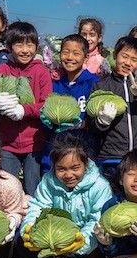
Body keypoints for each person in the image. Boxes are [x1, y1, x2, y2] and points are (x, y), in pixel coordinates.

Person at [21, 133, 113, 258]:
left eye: (75, 168)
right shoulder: (48, 182)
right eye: (61, 169)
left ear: (86, 164)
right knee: (21, 245)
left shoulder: (100, 186)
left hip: (89, 246)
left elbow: (97, 219)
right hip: (59, 245)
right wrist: (28, 228)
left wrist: (81, 241)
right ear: (54, 166)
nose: (68, 175)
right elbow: (38, 207)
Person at [0, 21, 52, 196]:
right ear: (9, 46)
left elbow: (46, 105)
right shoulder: (1, 71)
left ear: (36, 46)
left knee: (33, 187)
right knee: (7, 188)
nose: (25, 50)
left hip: (34, 143)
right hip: (7, 144)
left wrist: (24, 110)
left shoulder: (41, 72)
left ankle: (32, 221)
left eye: (30, 44)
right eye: (19, 44)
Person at [86, 36, 137, 192]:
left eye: (134, 59)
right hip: (111, 157)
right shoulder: (100, 86)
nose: (127, 62)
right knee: (111, 201)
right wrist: (102, 121)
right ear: (114, 55)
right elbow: (92, 126)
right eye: (124, 56)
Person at [40, 34, 99, 172]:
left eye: (76, 53)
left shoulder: (94, 84)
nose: (70, 58)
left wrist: (85, 124)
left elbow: (98, 122)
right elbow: (45, 124)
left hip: (84, 152)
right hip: (55, 153)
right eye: (65, 52)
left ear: (86, 57)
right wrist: (47, 122)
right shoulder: (54, 85)